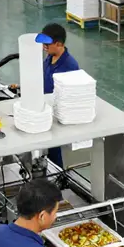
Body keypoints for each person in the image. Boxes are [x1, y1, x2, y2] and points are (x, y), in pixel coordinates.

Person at [40, 23, 80, 168]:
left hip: (59, 117)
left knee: (57, 152)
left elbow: (71, 96)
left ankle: (60, 177)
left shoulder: (70, 66)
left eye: (47, 44)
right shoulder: (49, 59)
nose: (44, 47)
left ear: (59, 44)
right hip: (47, 111)